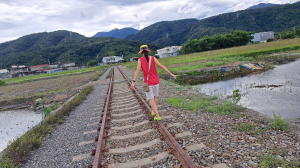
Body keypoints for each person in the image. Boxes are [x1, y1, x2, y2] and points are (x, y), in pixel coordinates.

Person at [130, 45, 177, 121]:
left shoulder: (140, 60)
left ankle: (157, 116)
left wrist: (133, 81)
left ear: (141, 52)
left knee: (151, 99)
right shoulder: (153, 58)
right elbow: (161, 66)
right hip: (156, 81)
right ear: (148, 51)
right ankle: (153, 111)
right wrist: (171, 74)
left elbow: (137, 71)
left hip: (147, 83)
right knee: (155, 97)